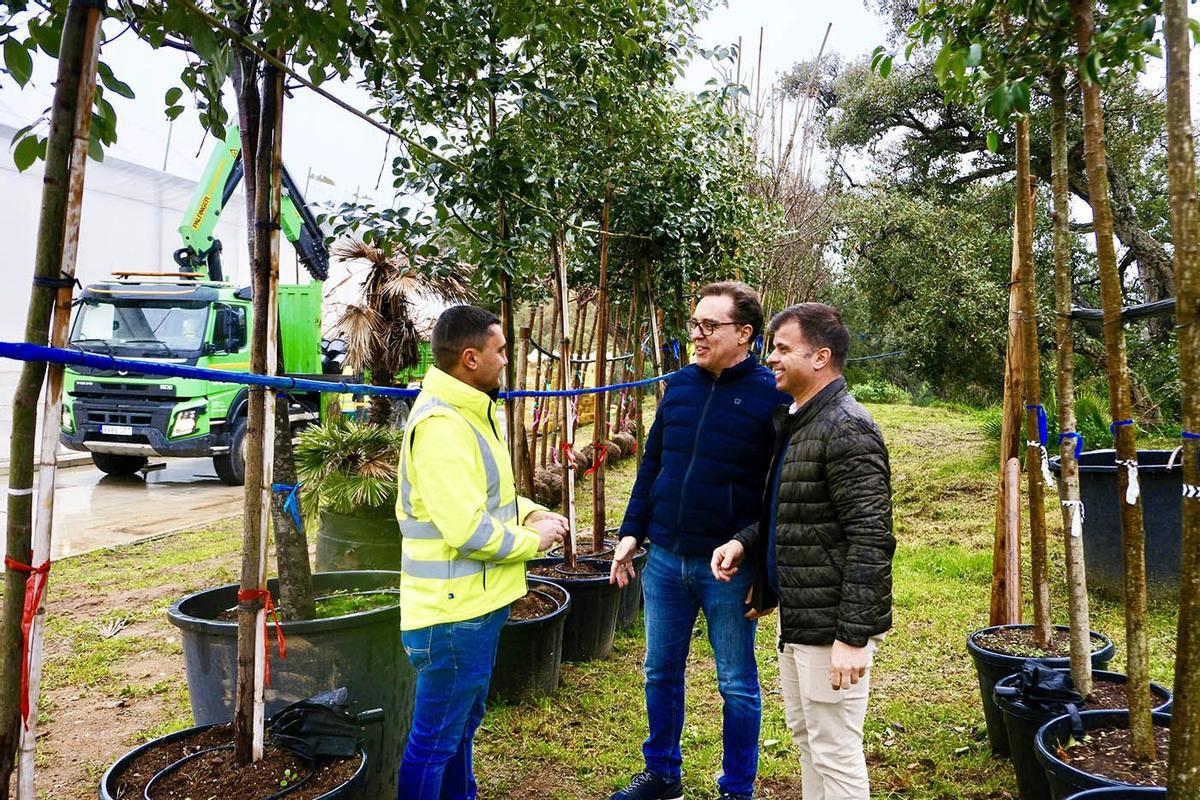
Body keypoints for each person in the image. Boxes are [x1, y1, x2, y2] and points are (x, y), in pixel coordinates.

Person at [608, 282, 789, 800]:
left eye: (710, 326)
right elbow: (653, 464)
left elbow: (776, 488)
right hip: (664, 557)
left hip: (726, 566)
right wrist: (631, 532)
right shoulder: (680, 386)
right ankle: (662, 775)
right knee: (659, 672)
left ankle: (737, 788)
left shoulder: (771, 395)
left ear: (745, 334)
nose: (697, 334)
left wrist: (752, 550)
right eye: (694, 325)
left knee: (736, 682)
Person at [711, 302, 895, 800]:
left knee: (834, 750)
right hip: (800, 616)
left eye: (782, 348)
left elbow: (871, 537)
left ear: (821, 358)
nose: (770, 357)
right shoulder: (799, 422)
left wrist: (853, 637)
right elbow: (791, 512)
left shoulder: (846, 428)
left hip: (830, 624)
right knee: (809, 741)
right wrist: (744, 543)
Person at [395, 305, 568, 799]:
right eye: (501, 350)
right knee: (434, 744)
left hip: (473, 605)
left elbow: (490, 497)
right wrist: (533, 542)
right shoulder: (443, 426)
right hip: (452, 614)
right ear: (470, 358)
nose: (507, 361)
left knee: (458, 731)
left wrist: (530, 510)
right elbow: (467, 529)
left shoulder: (472, 412)